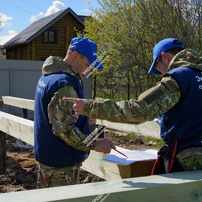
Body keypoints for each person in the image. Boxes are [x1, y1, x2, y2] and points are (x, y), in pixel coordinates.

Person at [68, 38, 202, 174]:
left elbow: (138, 111)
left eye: (158, 69)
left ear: (165, 57)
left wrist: (90, 106)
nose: (161, 75)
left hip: (190, 160)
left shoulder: (179, 78)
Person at [34, 37, 112, 188]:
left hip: (50, 159)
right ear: (74, 54)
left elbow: (57, 118)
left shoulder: (49, 76)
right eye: (87, 64)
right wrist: (95, 144)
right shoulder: (65, 84)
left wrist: (86, 121)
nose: (88, 70)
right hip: (60, 167)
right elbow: (64, 130)